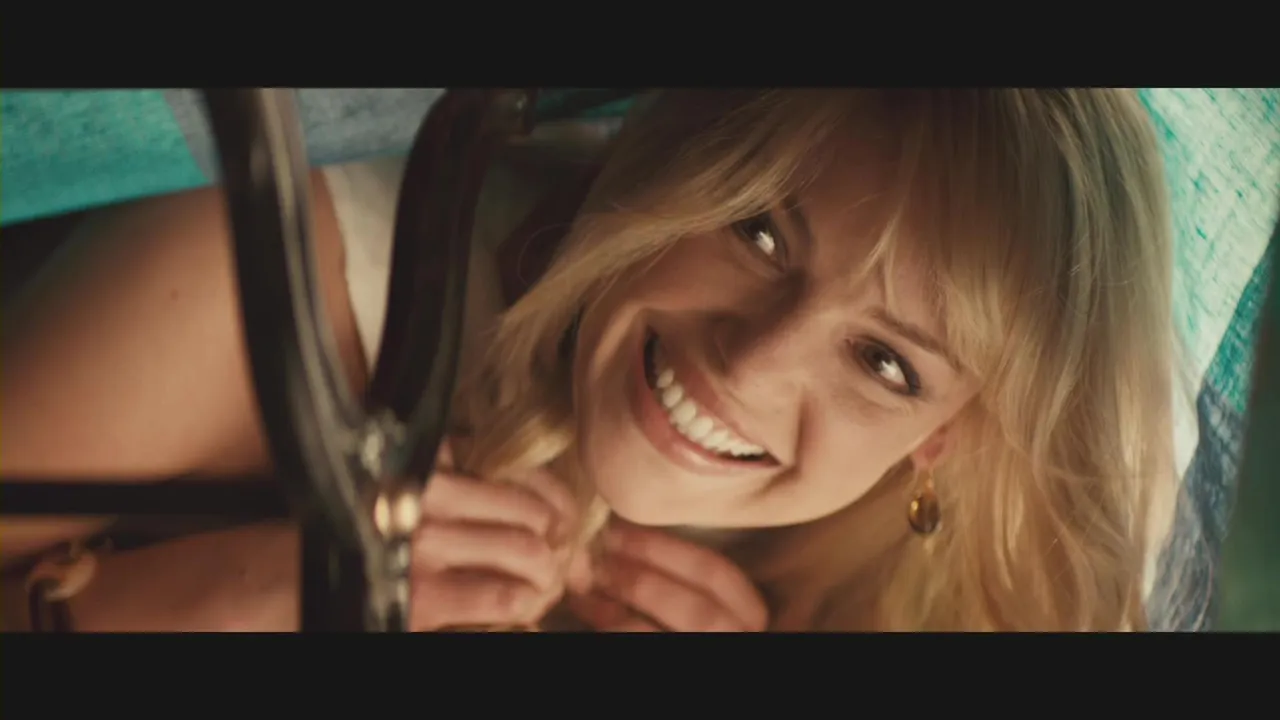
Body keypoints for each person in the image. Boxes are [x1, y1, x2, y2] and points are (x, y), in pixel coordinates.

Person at [0, 89, 1184, 631]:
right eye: (758, 230)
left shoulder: (949, 600)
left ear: (946, 437)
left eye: (885, 364)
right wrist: (224, 600)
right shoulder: (269, 272)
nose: (752, 366)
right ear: (668, 145)